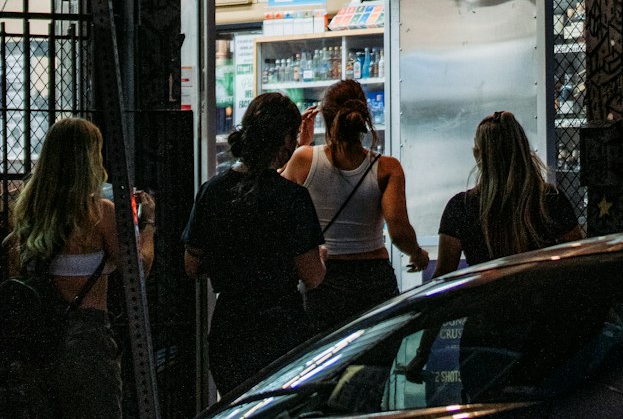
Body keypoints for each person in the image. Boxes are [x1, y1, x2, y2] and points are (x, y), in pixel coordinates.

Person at [3, 115, 155, 419]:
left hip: (38, 343)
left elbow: (15, 268)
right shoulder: (102, 214)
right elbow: (138, 273)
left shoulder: (27, 210)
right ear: (90, 158)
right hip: (88, 340)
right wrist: (147, 224)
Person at [183, 92, 324, 398]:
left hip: (230, 327)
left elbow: (191, 265)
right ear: (285, 139)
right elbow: (313, 276)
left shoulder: (212, 191)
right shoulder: (293, 199)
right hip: (281, 329)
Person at [282, 79, 428, 336]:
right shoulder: (387, 168)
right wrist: (417, 253)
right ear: (363, 116)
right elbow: (399, 230)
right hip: (374, 281)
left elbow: (275, 194)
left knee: (325, 370)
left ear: (326, 119)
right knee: (373, 369)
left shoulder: (304, 159)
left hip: (324, 280)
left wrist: (300, 145)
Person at [433, 110, 581, 276]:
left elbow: (443, 277)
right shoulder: (551, 200)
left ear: (478, 155)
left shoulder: (461, 207)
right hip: (539, 297)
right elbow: (576, 262)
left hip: (486, 298)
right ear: (523, 150)